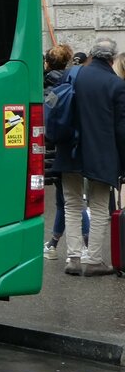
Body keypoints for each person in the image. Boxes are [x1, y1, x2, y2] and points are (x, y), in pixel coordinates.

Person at [51, 36, 125, 276]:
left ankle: (72, 258)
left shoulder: (71, 75)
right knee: (100, 206)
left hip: (69, 150)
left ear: (91, 55)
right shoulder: (116, 85)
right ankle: (94, 260)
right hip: (101, 155)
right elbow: (121, 129)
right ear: (112, 59)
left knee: (72, 205)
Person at [42, 43, 74, 259]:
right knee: (70, 201)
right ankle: (54, 243)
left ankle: (55, 245)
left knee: (68, 202)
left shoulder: (42, 86)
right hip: (67, 149)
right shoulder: (73, 85)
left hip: (47, 153)